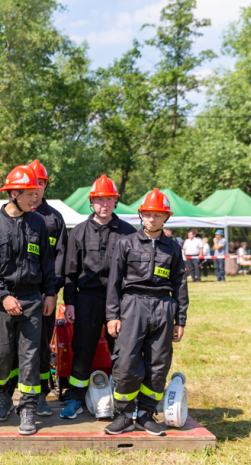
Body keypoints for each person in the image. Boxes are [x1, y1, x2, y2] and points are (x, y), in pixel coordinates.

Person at [0, 164, 57, 435]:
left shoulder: (38, 223)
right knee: (2, 353)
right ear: (13, 193)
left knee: (30, 356)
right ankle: (0, 394)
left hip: (33, 299)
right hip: (2, 302)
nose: (35, 197)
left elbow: (47, 262)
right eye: (30, 193)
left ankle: (28, 408)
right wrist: (4, 296)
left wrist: (51, 293)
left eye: (36, 192)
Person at [105, 189, 188, 436]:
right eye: (148, 215)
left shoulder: (173, 248)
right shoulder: (126, 243)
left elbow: (180, 284)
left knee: (158, 362)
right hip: (133, 306)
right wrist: (112, 316)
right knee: (127, 361)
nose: (152, 219)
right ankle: (124, 414)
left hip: (164, 307)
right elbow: (114, 282)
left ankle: (145, 414)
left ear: (166, 218)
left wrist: (179, 319)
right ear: (141, 215)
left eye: (157, 215)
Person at [61, 175, 136, 420]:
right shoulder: (80, 232)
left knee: (122, 349)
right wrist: (70, 301)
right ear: (91, 202)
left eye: (109, 199)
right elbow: (70, 271)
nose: (104, 204)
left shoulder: (128, 232)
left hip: (120, 299)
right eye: (99, 199)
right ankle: (75, 397)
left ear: (116, 202)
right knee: (82, 348)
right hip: (87, 299)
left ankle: (123, 399)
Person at [28, 159, 67, 416]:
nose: (37, 188)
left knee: (42, 345)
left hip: (45, 296)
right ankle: (11, 393)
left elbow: (62, 258)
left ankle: (42, 392)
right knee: (13, 346)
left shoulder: (54, 219)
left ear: (46, 186)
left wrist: (51, 291)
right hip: (18, 295)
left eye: (41, 183)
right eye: (33, 182)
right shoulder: (12, 217)